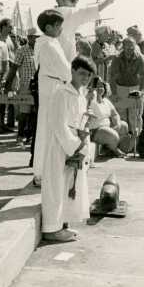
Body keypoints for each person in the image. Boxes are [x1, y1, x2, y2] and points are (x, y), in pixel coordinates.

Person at [42, 55, 96, 242]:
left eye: (88, 75)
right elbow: (58, 124)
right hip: (61, 145)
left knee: (69, 186)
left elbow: (82, 122)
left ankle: (63, 224)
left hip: (76, 143)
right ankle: (51, 229)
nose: (85, 78)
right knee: (56, 186)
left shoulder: (81, 95)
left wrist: (83, 147)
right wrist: (73, 145)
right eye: (81, 73)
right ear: (72, 70)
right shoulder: (61, 93)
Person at [33, 9, 70, 186]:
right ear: (48, 27)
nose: (61, 29)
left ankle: (44, 171)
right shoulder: (48, 44)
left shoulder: (49, 42)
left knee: (48, 128)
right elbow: (65, 70)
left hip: (52, 85)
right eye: (58, 26)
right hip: (52, 87)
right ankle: (42, 173)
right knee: (49, 129)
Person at [55, 0, 116, 64]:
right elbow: (89, 12)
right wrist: (108, 1)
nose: (75, 3)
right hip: (64, 64)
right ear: (60, 0)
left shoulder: (49, 14)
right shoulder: (68, 12)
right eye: (72, 0)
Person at [8, 27, 38, 149]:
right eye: (34, 37)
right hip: (26, 85)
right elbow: (14, 68)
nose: (36, 40)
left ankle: (30, 137)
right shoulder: (21, 51)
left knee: (34, 113)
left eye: (38, 37)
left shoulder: (41, 51)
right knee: (24, 113)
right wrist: (9, 85)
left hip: (39, 85)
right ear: (29, 37)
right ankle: (20, 137)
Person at [109, 37, 144, 135]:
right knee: (121, 118)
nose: (130, 50)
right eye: (127, 48)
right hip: (121, 88)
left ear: (135, 47)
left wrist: (141, 91)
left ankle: (135, 142)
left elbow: (143, 76)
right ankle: (122, 142)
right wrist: (114, 93)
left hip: (135, 88)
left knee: (135, 117)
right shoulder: (117, 58)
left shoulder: (140, 58)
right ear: (123, 47)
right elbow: (112, 77)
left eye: (132, 48)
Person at [88, 76, 127, 157]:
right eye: (97, 86)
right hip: (95, 130)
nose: (100, 88)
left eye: (102, 86)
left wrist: (117, 123)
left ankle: (110, 149)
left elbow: (114, 114)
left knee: (124, 126)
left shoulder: (106, 101)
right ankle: (115, 150)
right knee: (114, 136)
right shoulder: (91, 100)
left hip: (107, 127)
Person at [0, 18, 16, 133]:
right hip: (3, 71)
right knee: (2, 99)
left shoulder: (10, 38)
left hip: (12, 71)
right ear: (3, 27)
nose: (11, 28)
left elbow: (14, 53)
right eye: (9, 26)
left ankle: (9, 123)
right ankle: (1, 124)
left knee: (11, 97)